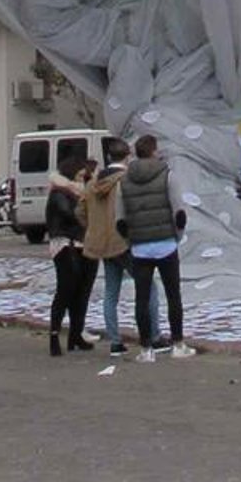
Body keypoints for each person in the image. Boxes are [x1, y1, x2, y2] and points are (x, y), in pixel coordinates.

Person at [118, 133, 196, 360]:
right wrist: (176, 237)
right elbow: (179, 213)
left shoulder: (124, 181)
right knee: (173, 296)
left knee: (141, 298)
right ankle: (178, 344)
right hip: (166, 244)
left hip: (139, 247)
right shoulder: (167, 176)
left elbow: (120, 220)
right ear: (154, 151)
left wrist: (131, 240)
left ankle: (146, 349)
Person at [44, 145, 97, 357]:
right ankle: (54, 335)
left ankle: (76, 335)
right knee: (66, 290)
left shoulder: (81, 192)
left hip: (84, 244)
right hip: (66, 245)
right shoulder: (61, 193)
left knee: (82, 292)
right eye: (81, 174)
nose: (83, 177)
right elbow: (73, 215)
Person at [83, 136, 132, 353]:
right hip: (122, 242)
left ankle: (115, 341)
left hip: (102, 243)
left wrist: (93, 227)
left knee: (111, 293)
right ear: (127, 156)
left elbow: (80, 210)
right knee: (147, 287)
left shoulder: (93, 183)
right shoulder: (125, 180)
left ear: (109, 157)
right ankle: (153, 336)